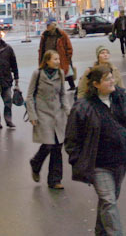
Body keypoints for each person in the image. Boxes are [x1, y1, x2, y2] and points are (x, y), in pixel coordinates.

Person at [65, 65, 126, 236]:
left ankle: (100, 232)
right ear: (95, 84)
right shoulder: (83, 107)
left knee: (108, 200)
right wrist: (79, 160)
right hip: (98, 165)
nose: (112, 81)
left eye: (112, 77)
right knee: (109, 201)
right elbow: (72, 138)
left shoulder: (123, 99)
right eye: (107, 79)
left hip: (120, 161)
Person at [26, 50, 73, 189]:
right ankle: (36, 162)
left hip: (58, 114)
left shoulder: (60, 74)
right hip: (43, 113)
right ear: (47, 61)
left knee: (57, 147)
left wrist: (69, 112)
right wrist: (32, 115)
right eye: (55, 59)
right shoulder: (38, 74)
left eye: (59, 59)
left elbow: (63, 95)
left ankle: (55, 180)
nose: (58, 61)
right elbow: (29, 96)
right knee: (48, 144)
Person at [38, 20, 75, 90]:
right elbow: (41, 48)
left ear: (53, 25)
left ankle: (69, 87)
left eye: (48, 25)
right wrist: (41, 60)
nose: (47, 27)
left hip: (60, 58)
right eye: (46, 25)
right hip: (48, 58)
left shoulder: (61, 34)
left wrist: (67, 58)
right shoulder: (45, 35)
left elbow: (69, 47)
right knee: (49, 74)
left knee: (64, 72)